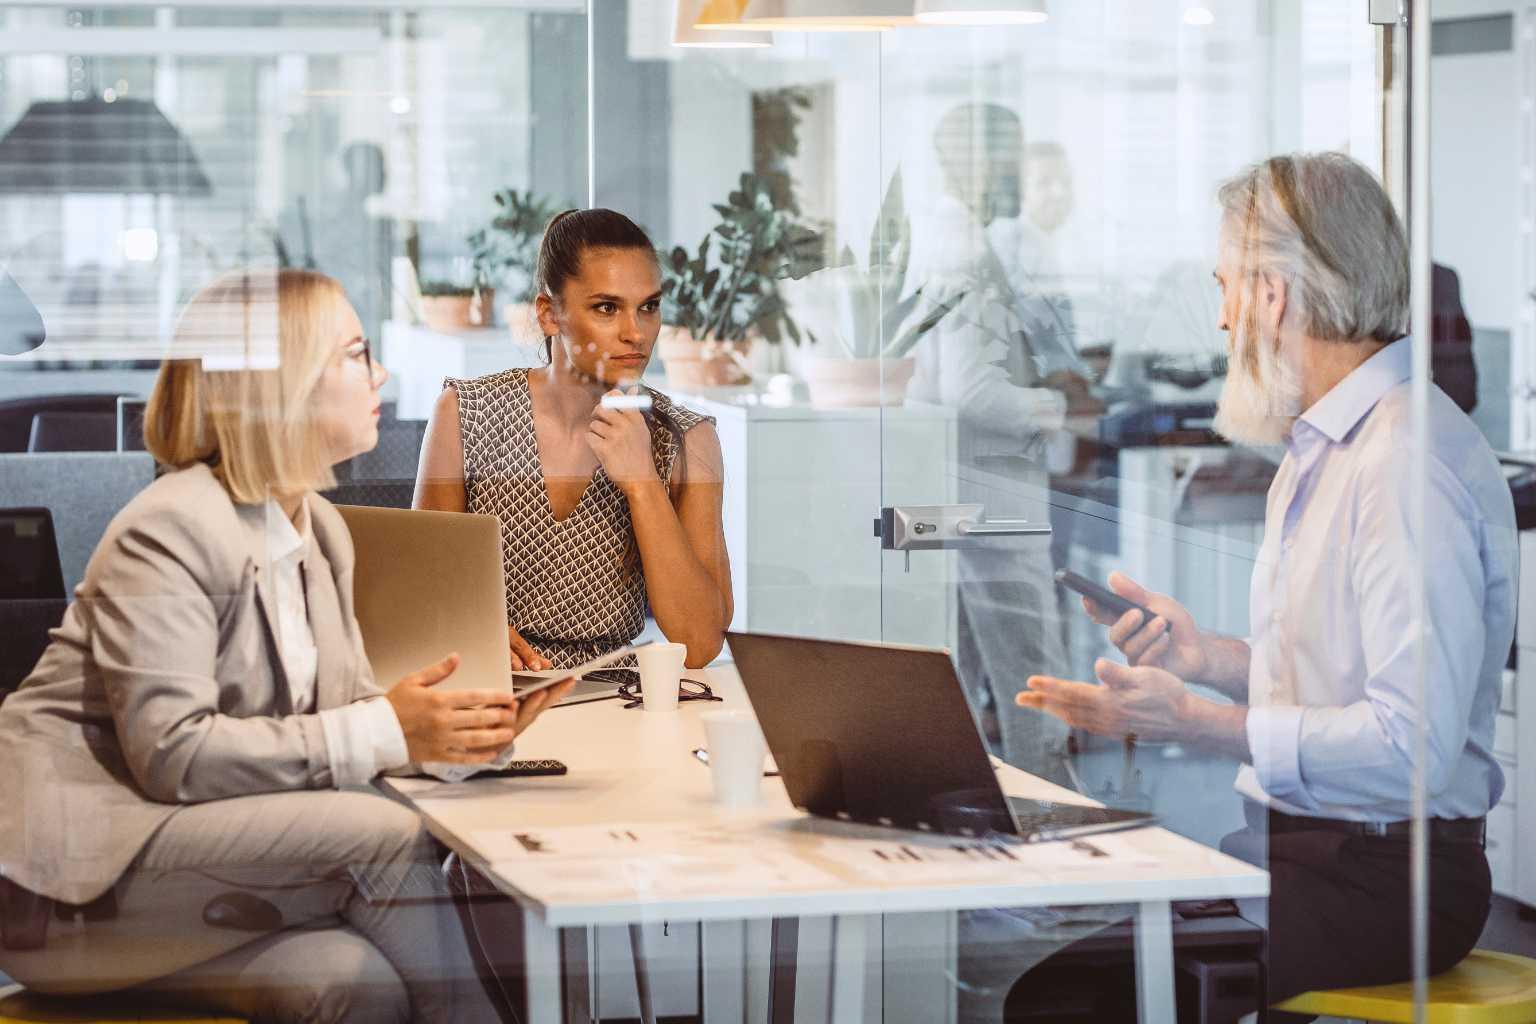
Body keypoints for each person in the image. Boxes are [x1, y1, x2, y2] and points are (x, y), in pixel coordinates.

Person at [0, 268, 572, 1023]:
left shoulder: (315, 528)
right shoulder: (169, 526)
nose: (383, 374)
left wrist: (454, 735)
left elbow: (346, 715)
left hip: (189, 875)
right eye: (357, 354)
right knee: (385, 836)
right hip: (70, 888)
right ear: (288, 382)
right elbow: (173, 755)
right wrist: (385, 727)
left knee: (346, 978)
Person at [1018, 153, 1513, 1014]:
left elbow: (1412, 744)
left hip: (1387, 884)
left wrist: (1197, 722)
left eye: (1226, 288)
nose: (1220, 318)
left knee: (1069, 1001)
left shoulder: (1402, 462)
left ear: (1274, 295)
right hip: (1301, 854)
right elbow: (1335, 680)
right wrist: (1203, 657)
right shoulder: (1331, 443)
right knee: (1067, 977)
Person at [414, 208, 731, 672]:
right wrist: (469, 630)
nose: (635, 332)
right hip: (490, 689)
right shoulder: (464, 413)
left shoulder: (686, 439)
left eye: (648, 306)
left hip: (619, 704)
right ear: (549, 314)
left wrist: (642, 484)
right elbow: (423, 598)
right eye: (607, 308)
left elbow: (700, 643)